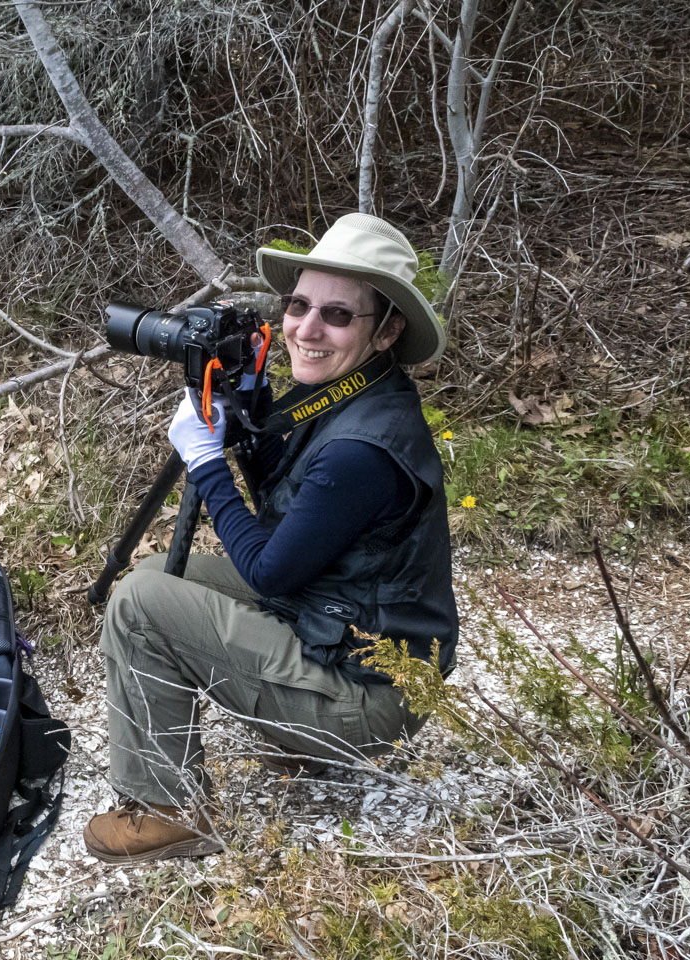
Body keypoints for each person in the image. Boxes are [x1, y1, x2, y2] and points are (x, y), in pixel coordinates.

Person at [83, 212, 459, 864]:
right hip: (352, 630)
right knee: (163, 577)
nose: (306, 329)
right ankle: (290, 735)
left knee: (140, 604)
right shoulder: (360, 395)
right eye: (298, 305)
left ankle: (171, 811)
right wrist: (250, 419)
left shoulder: (361, 449)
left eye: (337, 316)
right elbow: (293, 520)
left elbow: (268, 571)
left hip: (370, 697)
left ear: (388, 329)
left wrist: (205, 464)